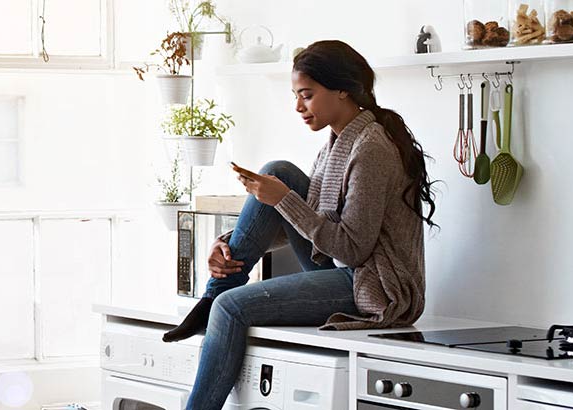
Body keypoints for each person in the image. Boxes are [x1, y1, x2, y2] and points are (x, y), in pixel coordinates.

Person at [169, 40, 439, 410]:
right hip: (345, 267)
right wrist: (227, 243)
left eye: (307, 95)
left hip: (376, 285)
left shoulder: (371, 148)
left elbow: (353, 249)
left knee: (230, 308)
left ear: (342, 89)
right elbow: (306, 223)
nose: (298, 107)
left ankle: (215, 299)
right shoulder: (336, 143)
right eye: (296, 96)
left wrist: (281, 198)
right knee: (277, 171)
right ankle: (219, 283)